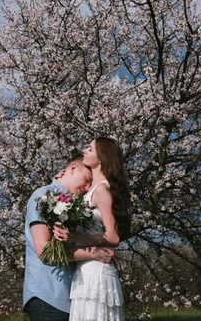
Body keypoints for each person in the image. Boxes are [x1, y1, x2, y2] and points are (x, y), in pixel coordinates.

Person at [23, 156, 115, 321]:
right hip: (48, 296)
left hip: (71, 298)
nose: (87, 187)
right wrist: (95, 253)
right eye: (86, 180)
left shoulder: (73, 204)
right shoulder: (43, 195)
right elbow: (45, 251)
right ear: (73, 168)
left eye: (90, 184)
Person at [53, 137, 131, 321]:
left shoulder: (101, 190)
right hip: (84, 270)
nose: (85, 151)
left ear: (102, 157)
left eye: (90, 148)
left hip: (96, 272)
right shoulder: (90, 190)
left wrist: (75, 236)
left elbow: (113, 237)